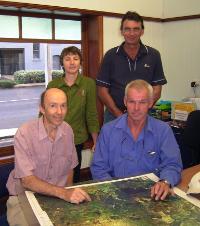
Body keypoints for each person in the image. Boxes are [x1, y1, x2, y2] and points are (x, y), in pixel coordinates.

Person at [6, 88, 91, 226]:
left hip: (58, 197)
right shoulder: (24, 133)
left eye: (63, 105)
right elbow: (27, 181)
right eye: (53, 106)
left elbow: (70, 169)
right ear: (42, 109)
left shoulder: (68, 130)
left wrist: (67, 194)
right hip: (24, 197)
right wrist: (63, 193)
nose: (59, 112)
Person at [91, 80, 182, 201]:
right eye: (132, 102)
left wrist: (165, 181)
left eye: (142, 102)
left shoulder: (163, 130)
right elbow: (98, 168)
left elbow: (173, 164)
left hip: (152, 196)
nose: (136, 108)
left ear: (150, 103)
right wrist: (113, 192)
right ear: (125, 102)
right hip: (115, 196)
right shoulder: (108, 130)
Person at [97, 11, 167, 123]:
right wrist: (118, 114)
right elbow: (102, 90)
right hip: (114, 115)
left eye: (136, 29)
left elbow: (157, 90)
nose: (131, 33)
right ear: (122, 31)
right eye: (127, 29)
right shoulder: (110, 55)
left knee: (144, 141)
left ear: (142, 31)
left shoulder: (153, 55)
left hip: (144, 115)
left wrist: (140, 110)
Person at [47, 46, 99, 183]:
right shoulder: (53, 84)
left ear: (80, 62)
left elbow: (91, 113)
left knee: (73, 175)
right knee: (54, 173)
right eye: (67, 59)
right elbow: (45, 113)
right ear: (62, 63)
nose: (72, 62)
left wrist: (95, 140)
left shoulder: (88, 84)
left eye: (75, 59)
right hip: (54, 137)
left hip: (77, 138)